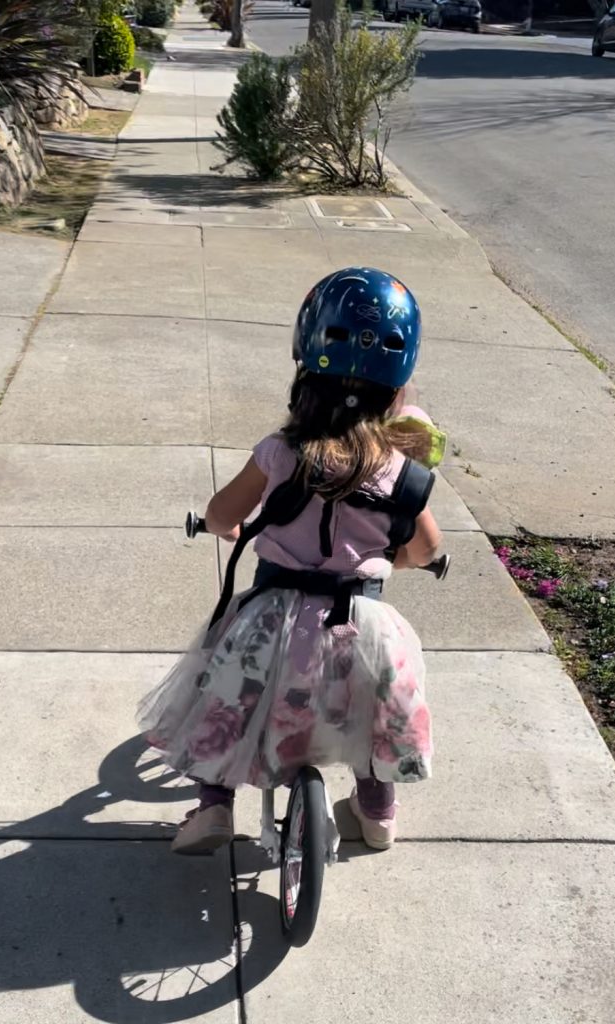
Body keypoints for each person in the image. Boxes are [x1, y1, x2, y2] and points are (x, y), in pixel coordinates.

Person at [138, 267, 443, 855]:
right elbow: (424, 549)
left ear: (304, 367)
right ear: (396, 390)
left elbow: (224, 513)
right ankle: (378, 814)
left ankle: (213, 809)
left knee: (224, 693)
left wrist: (228, 529)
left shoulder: (279, 454)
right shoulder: (405, 474)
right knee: (375, 708)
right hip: (361, 622)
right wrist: (389, 559)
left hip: (273, 620)